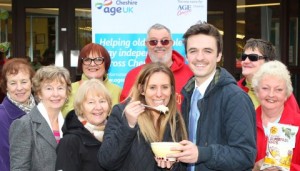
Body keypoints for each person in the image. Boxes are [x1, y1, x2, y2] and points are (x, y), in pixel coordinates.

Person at [167, 22, 257, 171]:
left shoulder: (235, 98)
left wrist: (203, 153)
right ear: (187, 56)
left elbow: (245, 156)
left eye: (207, 51)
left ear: (219, 55)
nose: (199, 57)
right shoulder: (188, 94)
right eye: (193, 51)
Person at [98, 62, 188, 171]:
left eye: (165, 87)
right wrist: (129, 125)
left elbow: (182, 167)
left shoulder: (175, 119)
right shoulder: (122, 112)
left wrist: (172, 166)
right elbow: (106, 161)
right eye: (152, 87)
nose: (159, 94)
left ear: (172, 90)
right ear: (142, 89)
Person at [9, 65, 71, 171]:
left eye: (60, 88)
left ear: (67, 93)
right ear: (39, 93)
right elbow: (19, 168)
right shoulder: (25, 125)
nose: (55, 94)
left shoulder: (70, 125)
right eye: (49, 88)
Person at [120, 23, 193, 110]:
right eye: (153, 42)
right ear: (146, 44)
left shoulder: (191, 73)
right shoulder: (134, 75)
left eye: (164, 41)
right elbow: (124, 112)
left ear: (172, 43)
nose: (159, 45)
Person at [251, 60, 300, 171]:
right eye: (265, 88)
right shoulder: (246, 123)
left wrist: (286, 168)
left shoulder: (298, 124)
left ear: (286, 94)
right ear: (257, 91)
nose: (271, 94)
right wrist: (254, 168)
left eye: (278, 89)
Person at [55, 79, 112, 171]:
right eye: (91, 102)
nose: (98, 107)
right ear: (80, 107)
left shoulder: (117, 135)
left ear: (109, 105)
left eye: (102, 101)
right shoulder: (70, 141)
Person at [237, 38, 299, 111]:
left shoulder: (281, 92)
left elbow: (293, 120)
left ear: (268, 62)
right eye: (244, 57)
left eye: (253, 57)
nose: (246, 61)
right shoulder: (234, 89)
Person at [62, 42, 122, 117]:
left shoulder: (118, 92)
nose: (92, 64)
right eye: (87, 60)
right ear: (81, 63)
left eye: (98, 60)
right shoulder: (68, 90)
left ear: (106, 63)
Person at [0, 58, 35, 171]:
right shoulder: (2, 117)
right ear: (6, 86)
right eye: (13, 83)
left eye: (24, 82)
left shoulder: (42, 109)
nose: (19, 88)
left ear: (32, 83)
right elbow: (4, 160)